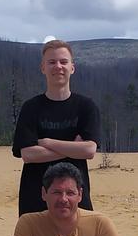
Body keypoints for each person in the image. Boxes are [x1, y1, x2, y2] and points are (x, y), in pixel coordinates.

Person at [12, 39, 101, 216]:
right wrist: (73, 148)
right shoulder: (31, 108)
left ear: (72, 68)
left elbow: (90, 150)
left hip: (76, 201)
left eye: (63, 62)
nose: (58, 66)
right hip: (35, 202)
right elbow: (28, 155)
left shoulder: (86, 107)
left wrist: (47, 142)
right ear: (43, 68)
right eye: (51, 62)